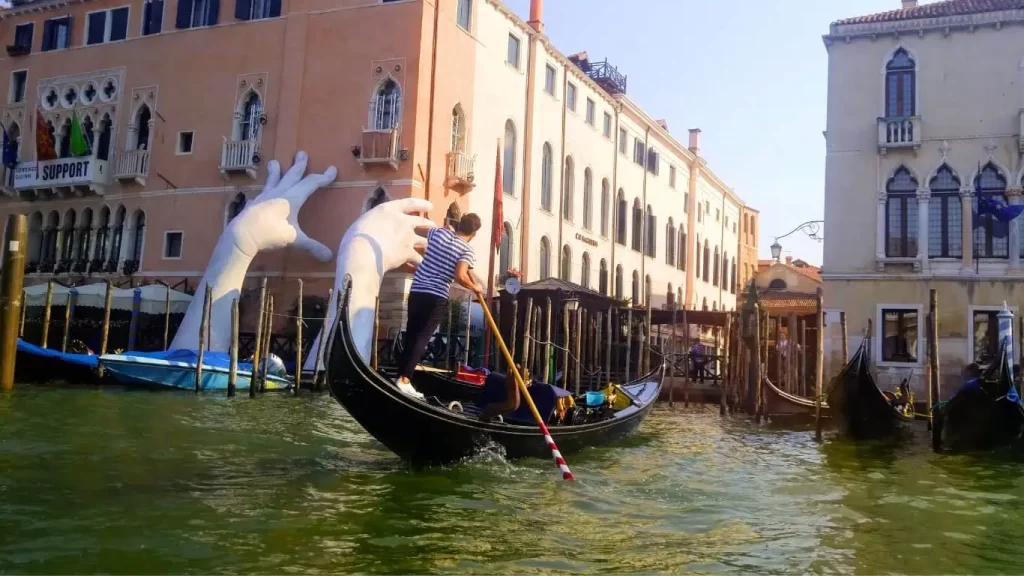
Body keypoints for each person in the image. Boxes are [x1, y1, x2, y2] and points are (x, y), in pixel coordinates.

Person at [395, 213, 484, 398]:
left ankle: (400, 376)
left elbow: (418, 229)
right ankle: (404, 379)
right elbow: (460, 276)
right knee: (422, 337)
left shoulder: (438, 234)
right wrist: (475, 287)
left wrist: (444, 230)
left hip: (417, 291)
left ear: (459, 224)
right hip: (436, 296)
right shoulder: (467, 250)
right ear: (474, 233)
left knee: (411, 333)